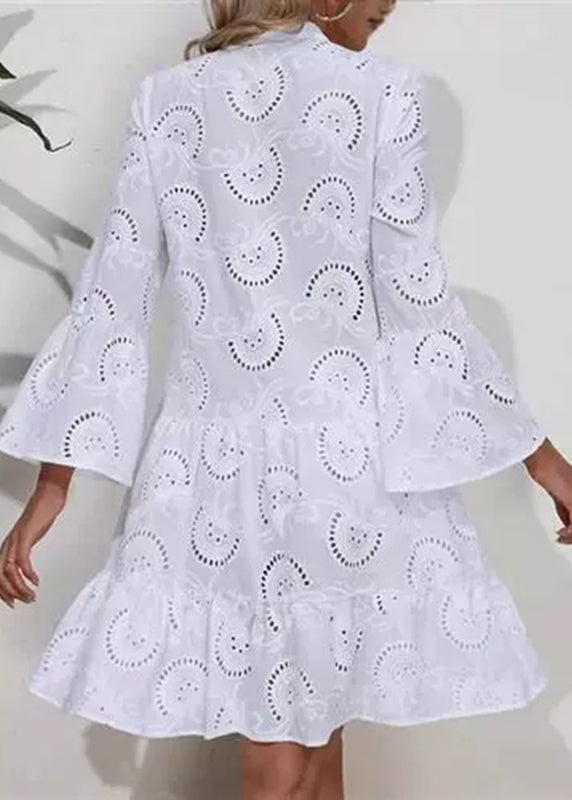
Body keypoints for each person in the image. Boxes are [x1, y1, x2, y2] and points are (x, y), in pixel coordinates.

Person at [0, 0, 570, 797]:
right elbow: (421, 306)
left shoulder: (167, 99)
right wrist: (544, 462)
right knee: (301, 748)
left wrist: (55, 481)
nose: (389, 5)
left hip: (210, 472)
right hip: (348, 467)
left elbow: (113, 298)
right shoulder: (385, 94)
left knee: (304, 746)